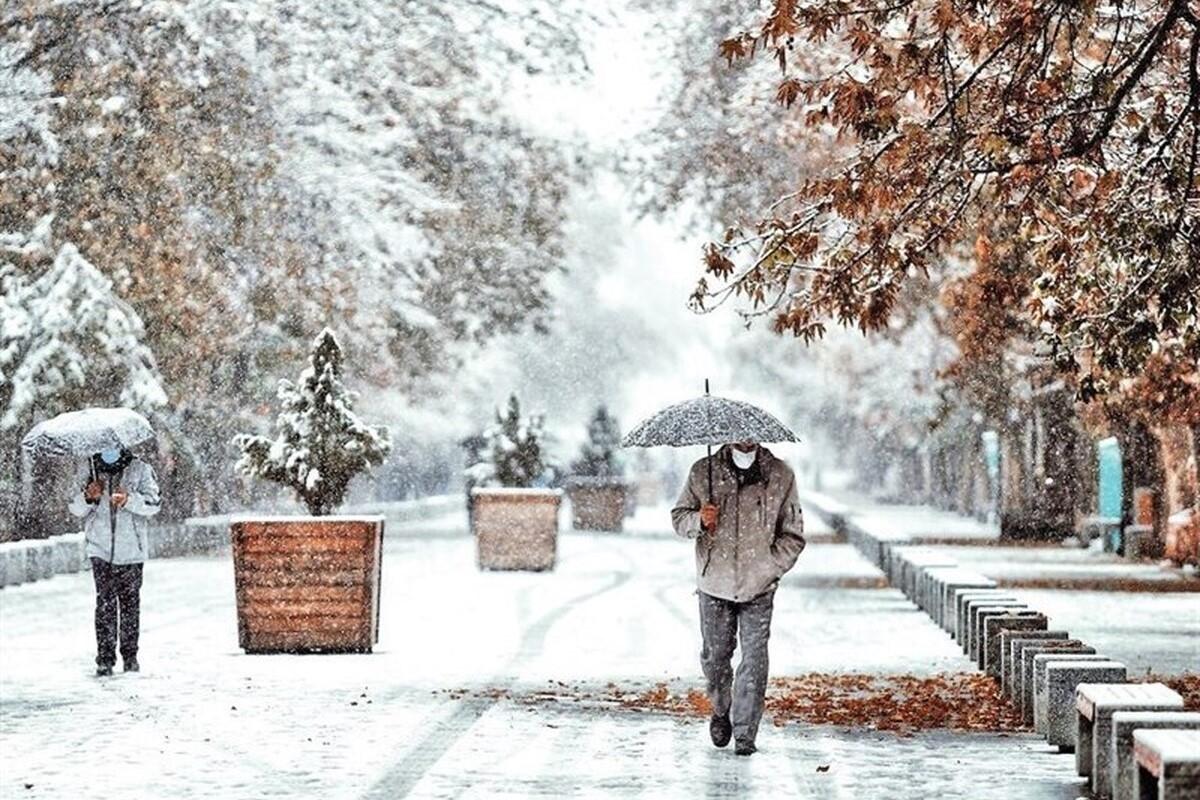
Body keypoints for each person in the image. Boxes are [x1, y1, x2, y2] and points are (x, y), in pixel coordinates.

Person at [672, 441, 806, 756]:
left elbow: (794, 534)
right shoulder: (703, 471)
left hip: (759, 586)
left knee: (755, 659)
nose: (743, 439)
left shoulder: (780, 475)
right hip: (714, 582)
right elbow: (679, 518)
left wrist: (771, 566)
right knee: (716, 658)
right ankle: (721, 709)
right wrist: (699, 520)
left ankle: (745, 732)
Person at [67, 447, 160, 677]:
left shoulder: (140, 469)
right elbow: (74, 507)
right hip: (100, 549)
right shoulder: (89, 469)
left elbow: (154, 503)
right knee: (105, 604)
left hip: (131, 551)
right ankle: (105, 658)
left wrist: (129, 500)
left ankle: (130, 656)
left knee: (129, 605)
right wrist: (89, 496)